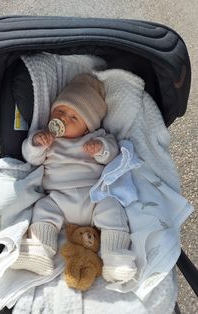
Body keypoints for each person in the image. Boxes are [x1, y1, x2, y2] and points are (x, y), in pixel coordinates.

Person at [11, 73, 137, 283]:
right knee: (43, 208)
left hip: (93, 198)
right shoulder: (47, 138)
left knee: (112, 209)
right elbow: (30, 158)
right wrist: (36, 143)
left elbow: (114, 153)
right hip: (59, 198)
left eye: (73, 118)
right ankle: (40, 250)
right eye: (59, 111)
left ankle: (115, 257)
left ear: (87, 126)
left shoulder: (96, 137)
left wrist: (100, 149)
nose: (63, 119)